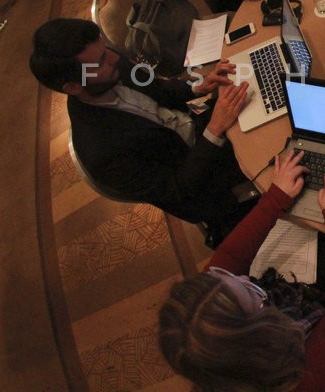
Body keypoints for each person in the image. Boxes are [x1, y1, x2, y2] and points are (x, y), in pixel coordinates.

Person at [158, 151, 325, 392]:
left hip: (300, 303)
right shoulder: (303, 375)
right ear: (259, 333)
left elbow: (231, 257)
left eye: (225, 277)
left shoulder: (211, 319)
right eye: (250, 292)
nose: (243, 276)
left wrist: (276, 198)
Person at [29, 18, 256, 244]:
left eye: (105, 48)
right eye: (100, 61)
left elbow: (158, 88)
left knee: (258, 86)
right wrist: (215, 129)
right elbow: (179, 190)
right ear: (73, 87)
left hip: (201, 129)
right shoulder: (102, 154)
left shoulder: (111, 65)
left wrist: (198, 86)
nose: (115, 58)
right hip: (207, 181)